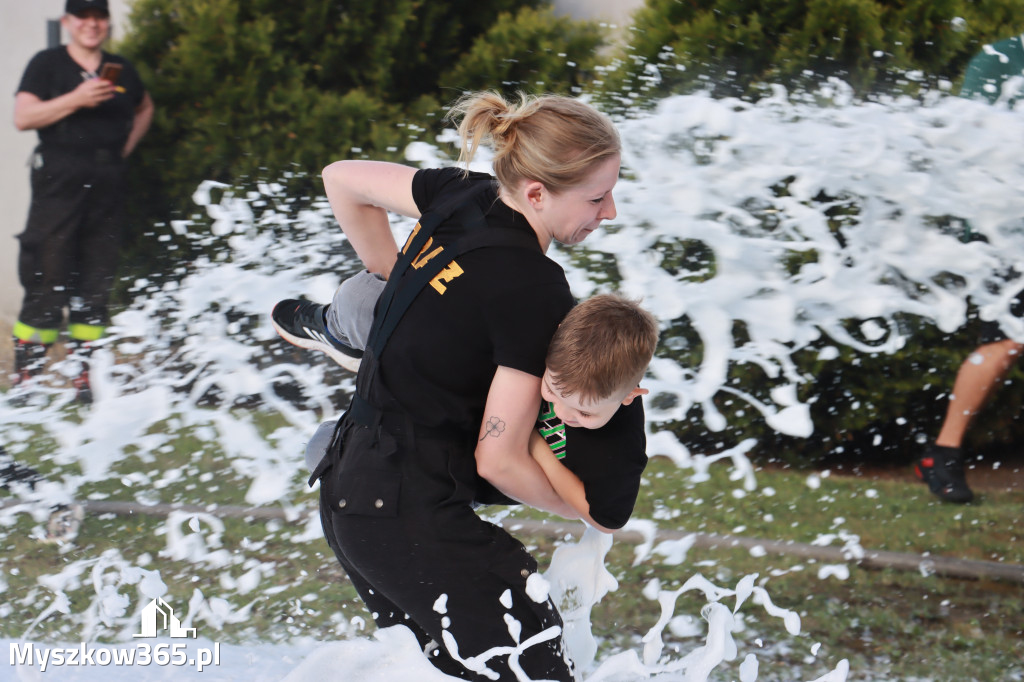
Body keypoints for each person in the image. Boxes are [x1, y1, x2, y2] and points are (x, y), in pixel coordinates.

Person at [276, 91, 621, 681]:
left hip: (352, 499)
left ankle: (358, 324)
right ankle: (358, 323)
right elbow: (498, 457)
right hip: (404, 513)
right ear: (536, 192)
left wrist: (395, 286)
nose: (609, 211)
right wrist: (588, 511)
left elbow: (342, 180)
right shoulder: (533, 290)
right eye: (595, 197)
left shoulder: (459, 192)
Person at [279, 289, 659, 532]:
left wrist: (530, 443)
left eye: (585, 414)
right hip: (454, 400)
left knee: (324, 446)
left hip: (453, 465)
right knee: (360, 300)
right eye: (553, 391)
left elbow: (601, 519)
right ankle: (342, 335)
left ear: (630, 396)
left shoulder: (619, 449)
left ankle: (376, 366)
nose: (562, 413)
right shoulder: (554, 333)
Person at [10, 0, 154, 403]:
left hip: (108, 181)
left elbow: (144, 107)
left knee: (96, 281)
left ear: (106, 22)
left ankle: (81, 379)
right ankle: (29, 379)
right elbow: (24, 118)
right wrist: (76, 98)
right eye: (83, 17)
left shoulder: (121, 69)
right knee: (47, 275)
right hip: (59, 177)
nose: (92, 24)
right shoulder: (47, 63)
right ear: (68, 22)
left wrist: (124, 149)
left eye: (99, 16)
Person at [915, 34, 1024, 504]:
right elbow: (970, 142)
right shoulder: (1002, 59)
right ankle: (943, 453)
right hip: (1001, 229)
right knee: (1005, 343)